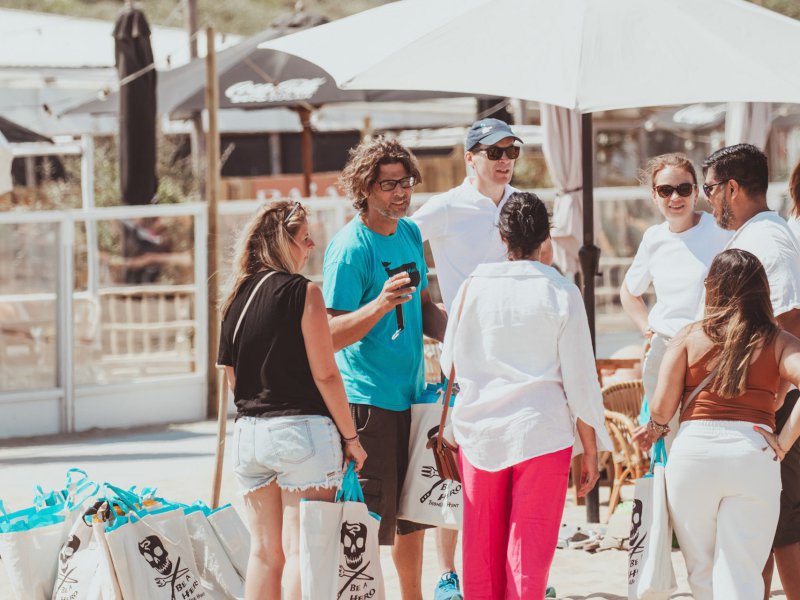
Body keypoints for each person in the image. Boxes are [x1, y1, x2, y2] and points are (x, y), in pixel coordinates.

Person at [440, 191, 611, 599]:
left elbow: (450, 365)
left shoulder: (471, 288)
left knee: (480, 553)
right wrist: (590, 449)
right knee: (528, 554)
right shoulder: (560, 290)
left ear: (502, 238)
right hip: (542, 431)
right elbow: (581, 380)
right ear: (545, 238)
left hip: (481, 432)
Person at [411, 117, 540, 600]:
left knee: (512, 462)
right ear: (470, 158)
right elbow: (398, 241)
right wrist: (424, 304)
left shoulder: (522, 206)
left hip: (516, 354)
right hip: (465, 357)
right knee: (456, 466)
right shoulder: (446, 207)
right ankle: (448, 573)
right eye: (494, 152)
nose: (505, 161)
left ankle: (519, 570)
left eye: (512, 152)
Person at [217, 200, 366, 600]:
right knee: (305, 549)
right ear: (283, 244)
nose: (312, 245)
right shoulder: (304, 293)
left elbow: (233, 379)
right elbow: (326, 373)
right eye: (304, 239)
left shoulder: (234, 299)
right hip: (301, 434)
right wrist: (351, 438)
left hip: (249, 436)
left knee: (265, 553)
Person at [322, 137, 448, 600]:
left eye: (406, 182)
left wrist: (465, 334)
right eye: (388, 184)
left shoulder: (410, 233)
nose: (401, 193)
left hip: (414, 398)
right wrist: (379, 304)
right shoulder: (350, 249)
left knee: (413, 515)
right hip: (367, 402)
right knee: (369, 520)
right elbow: (330, 334)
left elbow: (427, 311)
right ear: (365, 187)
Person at [647, 248, 800, 599]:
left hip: (694, 454)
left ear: (712, 287)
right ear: (762, 290)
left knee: (702, 574)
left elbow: (660, 408)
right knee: (742, 570)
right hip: (753, 451)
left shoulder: (688, 337)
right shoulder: (777, 340)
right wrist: (785, 440)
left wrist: (655, 429)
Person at [701, 143, 800, 598]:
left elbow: (790, 320)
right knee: (761, 530)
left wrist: (772, 394)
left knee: (778, 529)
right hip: (761, 403)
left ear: (732, 187)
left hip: (769, 405)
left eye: (708, 189)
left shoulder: (766, 239)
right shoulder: (757, 234)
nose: (707, 200)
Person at [620, 153, 731, 441]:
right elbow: (629, 292)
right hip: (664, 351)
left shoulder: (720, 230)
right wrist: (646, 326)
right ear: (654, 196)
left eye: (683, 188)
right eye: (665, 190)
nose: (675, 197)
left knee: (705, 439)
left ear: (696, 191)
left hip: (710, 352)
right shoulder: (653, 238)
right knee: (667, 443)